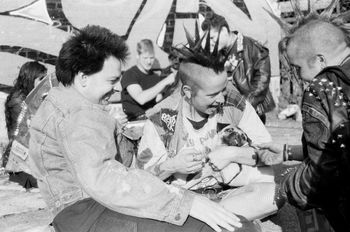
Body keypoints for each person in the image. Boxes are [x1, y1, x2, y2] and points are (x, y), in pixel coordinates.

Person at [27, 25, 260, 232]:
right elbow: (105, 180)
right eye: (110, 81)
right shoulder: (79, 114)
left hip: (82, 210)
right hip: (90, 211)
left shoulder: (58, 98)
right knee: (232, 227)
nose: (116, 88)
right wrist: (185, 203)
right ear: (83, 77)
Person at [137, 28, 277, 220]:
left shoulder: (234, 101)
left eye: (224, 89)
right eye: (212, 94)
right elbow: (141, 181)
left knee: (274, 190)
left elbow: (269, 154)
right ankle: (218, 219)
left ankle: (213, 218)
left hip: (227, 194)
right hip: (184, 201)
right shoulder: (161, 118)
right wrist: (172, 165)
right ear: (187, 91)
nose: (221, 99)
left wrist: (231, 153)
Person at [256, 4, 350, 231]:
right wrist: (289, 152)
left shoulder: (323, 86)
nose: (299, 77)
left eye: (297, 68)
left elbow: (322, 176)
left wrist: (283, 185)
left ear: (320, 60)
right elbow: (341, 147)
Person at [201, 13, 275, 124]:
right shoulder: (215, 53)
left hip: (249, 113)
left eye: (212, 38)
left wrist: (245, 107)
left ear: (224, 31)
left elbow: (262, 81)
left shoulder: (252, 47)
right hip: (223, 114)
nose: (210, 43)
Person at [3, 61, 47, 189]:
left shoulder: (32, 96)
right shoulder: (17, 101)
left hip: (32, 154)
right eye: (41, 79)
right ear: (30, 79)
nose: (44, 83)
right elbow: (29, 126)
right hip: (21, 159)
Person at [121, 39, 176, 121]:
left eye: (151, 58)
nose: (149, 61)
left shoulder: (155, 77)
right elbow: (141, 99)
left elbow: (159, 99)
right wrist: (165, 82)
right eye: (145, 58)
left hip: (153, 117)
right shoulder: (130, 74)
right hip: (136, 120)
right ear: (138, 56)